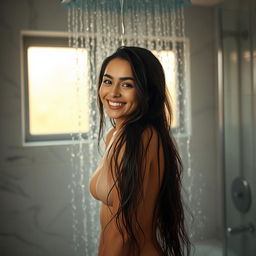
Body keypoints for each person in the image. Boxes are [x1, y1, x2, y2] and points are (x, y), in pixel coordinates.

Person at [89, 46, 191, 256]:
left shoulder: (139, 139)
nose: (113, 92)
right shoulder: (116, 136)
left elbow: (123, 232)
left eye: (127, 84)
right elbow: (110, 228)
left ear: (148, 93)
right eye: (108, 81)